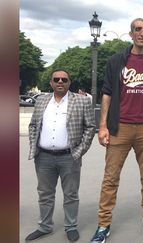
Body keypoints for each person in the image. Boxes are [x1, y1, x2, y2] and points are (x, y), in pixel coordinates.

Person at [90, 18, 143, 243]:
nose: (142, 33)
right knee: (110, 178)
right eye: (138, 29)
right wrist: (103, 126)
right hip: (119, 126)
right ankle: (103, 224)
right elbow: (107, 93)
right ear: (131, 34)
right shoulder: (116, 60)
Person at [26, 69, 96, 242]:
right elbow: (33, 125)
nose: (60, 82)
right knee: (44, 193)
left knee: (71, 194)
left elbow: (90, 128)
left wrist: (79, 152)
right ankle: (44, 226)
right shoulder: (41, 100)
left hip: (69, 157)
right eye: (56, 79)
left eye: (64, 80)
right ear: (50, 82)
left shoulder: (81, 102)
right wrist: (34, 147)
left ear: (69, 83)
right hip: (43, 157)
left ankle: (71, 226)